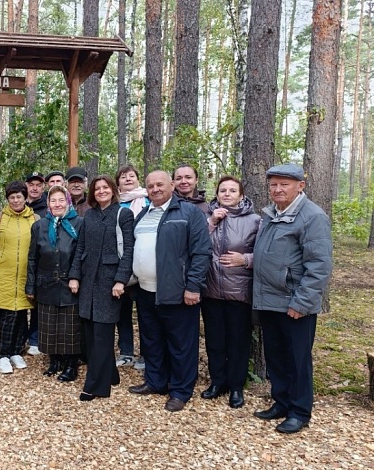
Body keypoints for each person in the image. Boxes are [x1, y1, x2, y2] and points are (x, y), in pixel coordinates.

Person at [252, 164, 332, 434]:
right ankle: (282, 402)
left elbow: (319, 266)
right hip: (270, 300)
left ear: (300, 186)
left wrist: (301, 302)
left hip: (294, 303)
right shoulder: (271, 214)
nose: (277, 189)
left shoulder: (311, 217)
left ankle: (299, 411)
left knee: (297, 360)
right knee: (276, 356)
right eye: (273, 184)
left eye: (284, 184)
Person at [127, 170, 211, 412]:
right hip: (145, 290)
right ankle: (156, 381)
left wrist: (193, 286)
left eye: (160, 184)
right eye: (150, 185)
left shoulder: (189, 213)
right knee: (152, 340)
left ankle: (180, 391)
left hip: (177, 291)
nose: (155, 189)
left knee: (181, 344)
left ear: (172, 186)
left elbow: (201, 252)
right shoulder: (143, 214)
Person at [69, 175, 134, 400]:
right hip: (88, 281)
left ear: (113, 190)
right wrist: (74, 276)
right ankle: (111, 374)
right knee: (90, 332)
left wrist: (120, 280)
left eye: (105, 187)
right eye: (97, 189)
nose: (101, 191)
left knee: (103, 334)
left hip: (109, 282)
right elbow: (81, 248)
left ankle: (95, 386)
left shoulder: (123, 214)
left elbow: (128, 251)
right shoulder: (89, 215)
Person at [201, 176, 260, 409]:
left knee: (238, 341)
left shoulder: (255, 221)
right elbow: (194, 246)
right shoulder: (208, 217)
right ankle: (218, 382)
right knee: (215, 340)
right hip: (211, 289)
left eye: (232, 190)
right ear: (216, 194)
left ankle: (236, 387)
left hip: (239, 293)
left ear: (241, 195)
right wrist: (212, 222)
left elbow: (266, 255)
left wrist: (244, 259)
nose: (227, 194)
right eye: (222, 190)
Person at [27, 185, 83, 381]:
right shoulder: (40, 226)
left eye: (61, 200)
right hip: (46, 282)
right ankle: (55, 361)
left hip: (70, 283)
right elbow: (33, 257)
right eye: (53, 200)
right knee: (49, 325)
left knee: (69, 327)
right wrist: (31, 285)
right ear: (48, 203)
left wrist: (76, 277)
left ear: (67, 201)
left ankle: (71, 364)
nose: (57, 204)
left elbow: (81, 254)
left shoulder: (79, 223)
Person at [0, 181, 39, 374]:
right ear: (7, 199)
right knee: (8, 315)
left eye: (19, 197)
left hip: (25, 276)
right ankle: (3, 354)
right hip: (3, 276)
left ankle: (16, 351)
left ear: (25, 198)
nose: (16, 200)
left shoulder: (34, 219)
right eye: (12, 197)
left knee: (22, 314)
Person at [115, 164, 151, 370]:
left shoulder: (148, 200)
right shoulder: (116, 204)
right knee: (122, 312)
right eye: (123, 177)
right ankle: (126, 351)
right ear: (118, 183)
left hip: (143, 263)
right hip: (121, 265)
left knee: (145, 312)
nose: (128, 179)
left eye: (132, 176)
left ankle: (146, 354)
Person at [24, 172, 47, 355]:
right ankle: (21, 337)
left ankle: (36, 339)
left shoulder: (47, 209)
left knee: (38, 304)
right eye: (31, 184)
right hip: (19, 263)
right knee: (22, 303)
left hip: (40, 264)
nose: (34, 188)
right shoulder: (18, 206)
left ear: (43, 187)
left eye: (38, 185)